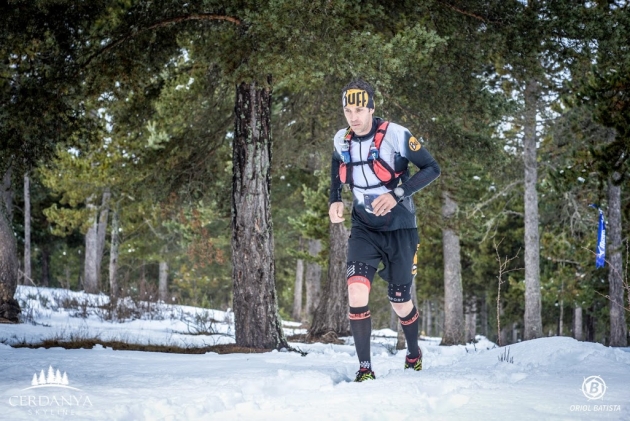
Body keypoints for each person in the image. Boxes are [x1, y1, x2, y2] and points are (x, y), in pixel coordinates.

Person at [329, 79, 441, 382]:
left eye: (360, 109)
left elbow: (432, 168)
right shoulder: (342, 139)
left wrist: (397, 193)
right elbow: (335, 167)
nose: (354, 116)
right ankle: (365, 368)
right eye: (348, 109)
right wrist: (335, 199)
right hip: (364, 227)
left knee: (400, 300)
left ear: (372, 108)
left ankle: (414, 353)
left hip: (400, 226)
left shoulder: (396, 134)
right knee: (356, 289)